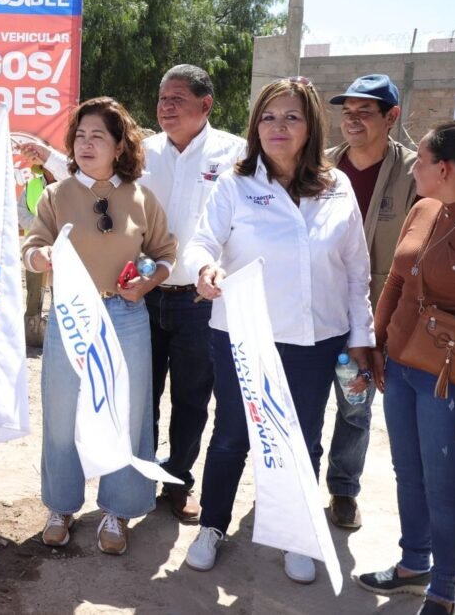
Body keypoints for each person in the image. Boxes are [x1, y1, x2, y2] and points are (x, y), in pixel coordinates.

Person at [183, 78, 375, 585]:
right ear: (255, 126)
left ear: (310, 125)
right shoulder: (235, 182)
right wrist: (204, 270)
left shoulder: (337, 187)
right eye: (268, 117)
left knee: (302, 440)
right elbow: (202, 242)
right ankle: (213, 525)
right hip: (242, 334)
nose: (278, 127)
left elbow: (357, 270)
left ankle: (293, 533)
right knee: (231, 437)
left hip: (315, 341)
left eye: (290, 117)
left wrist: (362, 335)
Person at [22, 97, 177, 554]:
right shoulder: (56, 194)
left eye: (98, 137)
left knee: (128, 415)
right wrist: (40, 256)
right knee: (61, 413)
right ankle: (61, 505)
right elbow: (32, 247)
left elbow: (166, 255)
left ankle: (119, 509)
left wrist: (147, 282)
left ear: (119, 146)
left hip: (125, 316)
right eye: (80, 136)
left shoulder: (141, 197)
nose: (86, 144)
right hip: (71, 316)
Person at [357, 120, 455, 615]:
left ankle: (443, 590)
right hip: (399, 364)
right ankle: (413, 563)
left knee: (446, 483)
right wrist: (376, 343)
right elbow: (397, 282)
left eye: (419, 161)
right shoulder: (422, 207)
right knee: (408, 472)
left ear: (443, 168)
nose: (412, 168)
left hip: (448, 376)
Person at [139, 64, 247, 522]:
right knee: (141, 394)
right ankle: (137, 479)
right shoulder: (143, 152)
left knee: (191, 398)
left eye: (177, 98)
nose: (166, 107)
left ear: (205, 105)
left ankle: (180, 481)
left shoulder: (235, 154)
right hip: (142, 293)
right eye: (162, 98)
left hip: (199, 302)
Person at [323, 74, 417, 530]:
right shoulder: (319, 169)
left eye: (365, 112)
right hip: (313, 308)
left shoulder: (414, 173)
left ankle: (343, 489)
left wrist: (390, 329)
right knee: (298, 401)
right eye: (347, 112)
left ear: (391, 117)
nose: (352, 121)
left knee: (355, 405)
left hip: (368, 317)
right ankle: (293, 485)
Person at [16, 155, 57, 348]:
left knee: (62, 288)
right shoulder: (32, 184)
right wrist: (40, 227)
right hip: (36, 245)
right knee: (33, 287)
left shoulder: (72, 183)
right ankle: (32, 329)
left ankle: (60, 326)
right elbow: (21, 211)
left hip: (65, 247)